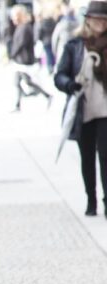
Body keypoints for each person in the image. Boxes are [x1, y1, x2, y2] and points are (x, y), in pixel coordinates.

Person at [54, 0, 107, 218]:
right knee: (87, 158)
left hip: (105, 110)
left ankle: (106, 200)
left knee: (105, 157)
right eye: (97, 19)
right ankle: (91, 199)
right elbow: (59, 75)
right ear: (88, 20)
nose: (101, 24)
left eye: (104, 20)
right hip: (83, 111)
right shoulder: (76, 45)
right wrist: (69, 84)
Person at [10, 5, 52, 111]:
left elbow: (21, 44)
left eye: (15, 16)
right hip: (20, 59)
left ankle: (47, 95)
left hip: (23, 60)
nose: (13, 19)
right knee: (17, 82)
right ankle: (17, 104)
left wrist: (12, 54)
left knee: (27, 81)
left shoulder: (25, 27)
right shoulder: (21, 27)